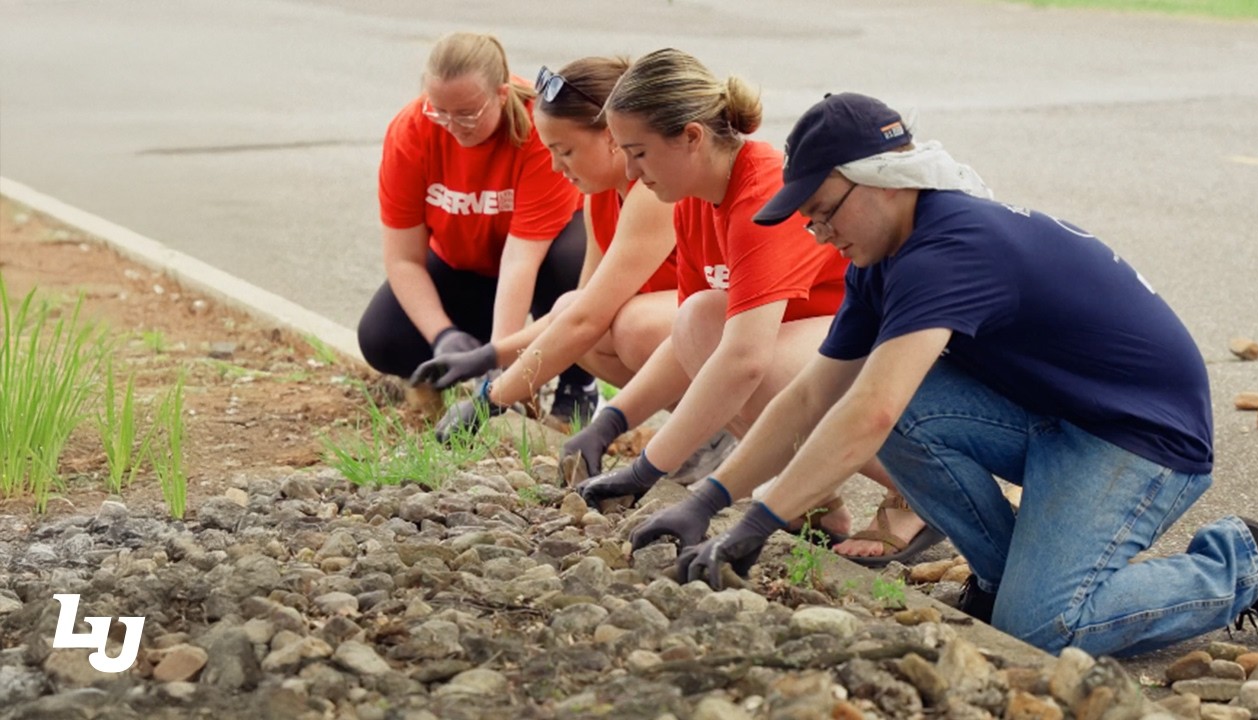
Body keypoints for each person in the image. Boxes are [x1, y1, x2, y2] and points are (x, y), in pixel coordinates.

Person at [636, 91, 1258, 657]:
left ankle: (1239, 561)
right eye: (809, 218)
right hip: (1058, 416)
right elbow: (814, 395)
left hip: (1142, 439)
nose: (819, 231)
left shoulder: (950, 248)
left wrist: (759, 522)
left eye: (826, 210)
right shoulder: (879, 258)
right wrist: (707, 500)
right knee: (885, 403)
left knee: (1043, 630)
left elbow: (872, 414)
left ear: (884, 179)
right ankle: (1005, 577)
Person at [566, 49, 943, 565]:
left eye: (639, 153)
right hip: (829, 342)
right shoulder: (693, 201)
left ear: (691, 138)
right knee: (698, 320)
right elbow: (689, 348)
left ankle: (917, 489)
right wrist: (610, 422)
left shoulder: (760, 189)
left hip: (897, 350)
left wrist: (647, 470)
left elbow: (744, 361)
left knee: (752, 366)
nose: (629, 171)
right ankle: (812, 497)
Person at [419, 57, 680, 442]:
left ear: (611, 136)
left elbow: (588, 319)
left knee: (632, 327)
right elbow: (577, 311)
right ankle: (707, 429)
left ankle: (711, 427)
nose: (557, 167)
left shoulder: (652, 194)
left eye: (566, 151)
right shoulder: (601, 197)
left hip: (757, 333)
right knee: (571, 310)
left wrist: (490, 398)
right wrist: (490, 356)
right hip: (701, 334)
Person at [357, 31, 597, 424]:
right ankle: (443, 373)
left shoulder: (539, 130)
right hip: (464, 266)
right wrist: (442, 336)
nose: (452, 125)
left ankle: (578, 383)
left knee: (574, 260)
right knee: (381, 338)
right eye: (440, 111)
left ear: (502, 95)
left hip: (537, 272)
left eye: (467, 113)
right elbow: (402, 259)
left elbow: (521, 259)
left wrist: (497, 372)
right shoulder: (411, 132)